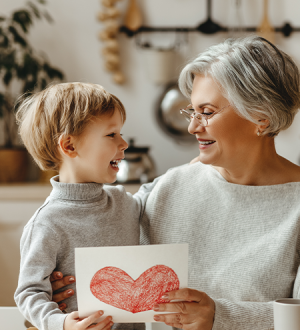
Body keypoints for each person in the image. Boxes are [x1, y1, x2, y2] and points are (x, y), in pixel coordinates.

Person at [51, 36, 300, 330]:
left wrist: (219, 316)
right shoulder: (171, 186)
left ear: (262, 117)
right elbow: (106, 258)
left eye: (207, 112)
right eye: (192, 112)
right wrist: (69, 287)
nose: (193, 127)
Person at [14, 83, 149, 330]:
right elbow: (29, 292)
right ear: (69, 146)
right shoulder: (46, 222)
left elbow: (160, 191)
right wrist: (61, 323)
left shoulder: (123, 202)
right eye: (111, 134)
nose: (124, 143)